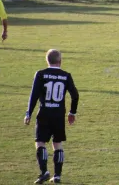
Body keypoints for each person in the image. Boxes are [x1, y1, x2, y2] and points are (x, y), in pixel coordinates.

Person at [25, 49, 79, 184]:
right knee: (57, 143)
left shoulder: (41, 74)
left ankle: (44, 172)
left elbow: (34, 95)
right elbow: (75, 95)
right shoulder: (66, 75)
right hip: (59, 115)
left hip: (44, 113)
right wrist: (72, 113)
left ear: (47, 61)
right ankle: (57, 175)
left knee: (40, 142)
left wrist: (28, 113)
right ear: (60, 61)